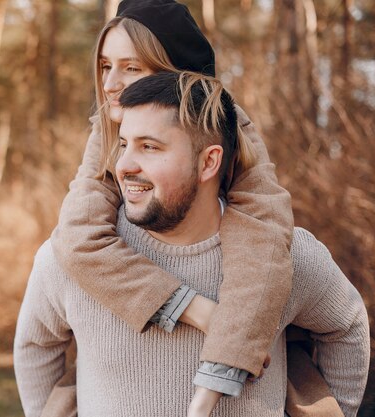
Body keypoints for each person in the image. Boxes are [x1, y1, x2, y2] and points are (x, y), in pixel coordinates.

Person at [13, 71, 370, 417]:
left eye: (150, 147)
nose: (124, 166)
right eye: (124, 145)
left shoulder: (285, 255)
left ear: (208, 162)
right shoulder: (70, 258)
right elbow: (36, 345)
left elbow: (347, 324)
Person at [49, 0, 292, 413]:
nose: (110, 83)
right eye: (106, 66)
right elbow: (77, 239)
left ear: (176, 78)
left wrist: (222, 365)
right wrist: (191, 307)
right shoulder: (108, 126)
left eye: (131, 68)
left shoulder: (227, 125)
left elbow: (264, 240)